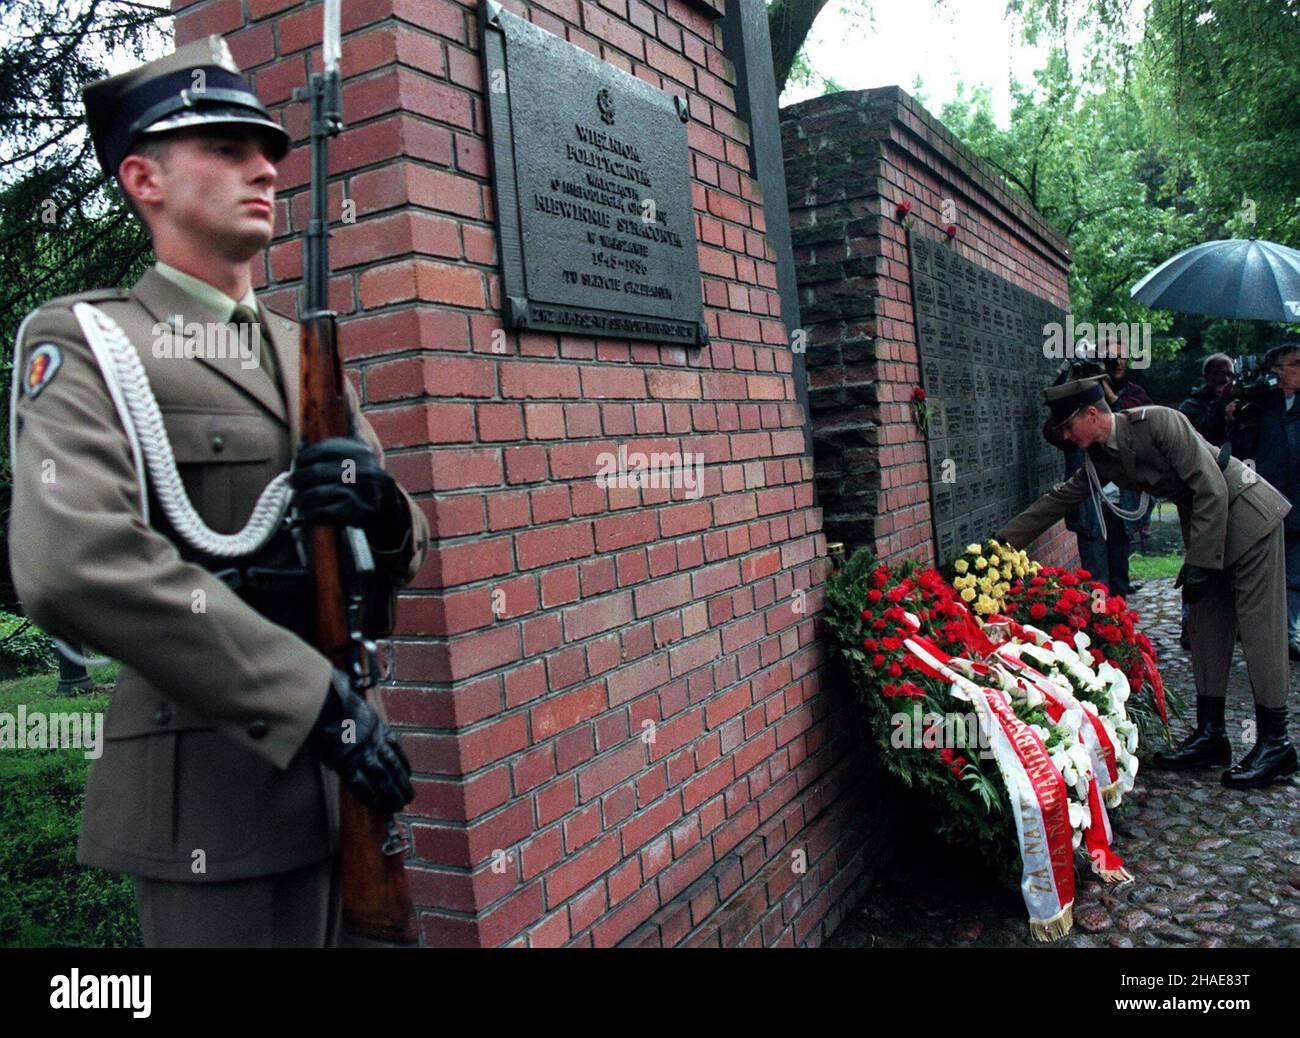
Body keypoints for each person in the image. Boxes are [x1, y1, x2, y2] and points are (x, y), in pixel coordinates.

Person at [6, 36, 429, 946]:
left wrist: (383, 510)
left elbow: (397, 554)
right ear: (143, 179)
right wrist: (313, 705)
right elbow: (73, 562)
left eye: (269, 150)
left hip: (356, 781)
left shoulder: (301, 352)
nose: (265, 169)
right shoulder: (90, 341)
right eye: (227, 149)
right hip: (216, 802)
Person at [997, 376, 1297, 789]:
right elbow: (1059, 500)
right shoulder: (1101, 458)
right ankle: (1212, 735)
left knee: (1260, 631)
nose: (1064, 436)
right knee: (1205, 629)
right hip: (1209, 529)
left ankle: (1276, 742)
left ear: (1091, 414)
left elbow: (1210, 487)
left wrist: (1200, 565)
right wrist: (996, 546)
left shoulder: (1158, 422)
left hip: (1247, 516)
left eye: (1068, 426)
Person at [1228, 342, 1300, 661]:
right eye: (1295, 364)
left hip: (1299, 499)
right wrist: (1235, 412)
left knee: (1295, 572)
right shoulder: (1259, 405)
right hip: (1265, 500)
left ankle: (1290, 633)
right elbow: (1239, 450)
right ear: (1276, 371)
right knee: (1261, 570)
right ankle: (1259, 628)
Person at [1179, 353, 1234, 447]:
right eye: (1218, 373)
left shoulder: (1237, 401)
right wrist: (1221, 403)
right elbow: (1206, 436)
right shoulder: (1190, 406)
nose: (1225, 379)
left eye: (1229, 374)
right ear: (1206, 376)